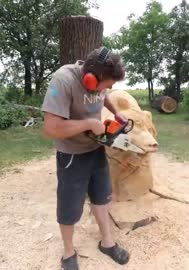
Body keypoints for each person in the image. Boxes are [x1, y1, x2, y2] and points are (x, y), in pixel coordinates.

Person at [42, 47, 130, 270]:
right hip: (71, 154)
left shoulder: (99, 83)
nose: (109, 88)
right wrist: (89, 124)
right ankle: (68, 252)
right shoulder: (63, 81)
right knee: (69, 206)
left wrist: (115, 112)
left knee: (101, 197)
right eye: (108, 83)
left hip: (95, 148)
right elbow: (51, 128)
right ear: (91, 79)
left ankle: (107, 242)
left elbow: (104, 94)